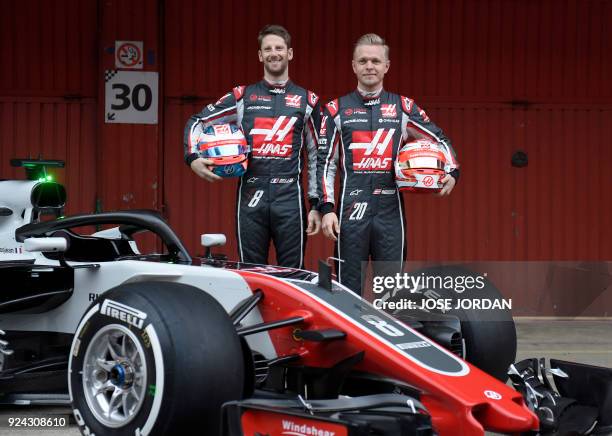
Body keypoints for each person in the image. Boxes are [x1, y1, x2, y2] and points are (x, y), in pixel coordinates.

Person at [317, 33, 459, 295]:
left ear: (386, 66)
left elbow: (438, 138)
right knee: (346, 291)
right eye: (363, 61)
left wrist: (452, 170)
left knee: (391, 290)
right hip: (351, 214)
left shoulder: (403, 108)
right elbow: (326, 163)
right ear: (354, 66)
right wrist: (326, 208)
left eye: (375, 60)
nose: (369, 66)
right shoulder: (335, 110)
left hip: (390, 214)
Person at [184, 25, 322, 268]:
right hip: (250, 197)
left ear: (290, 53)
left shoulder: (308, 100)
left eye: (279, 48)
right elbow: (198, 120)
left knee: (292, 275)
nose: (273, 53)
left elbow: (317, 153)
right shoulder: (242, 96)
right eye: (267, 49)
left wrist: (316, 204)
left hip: (290, 199)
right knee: (251, 272)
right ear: (260, 56)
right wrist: (192, 157)